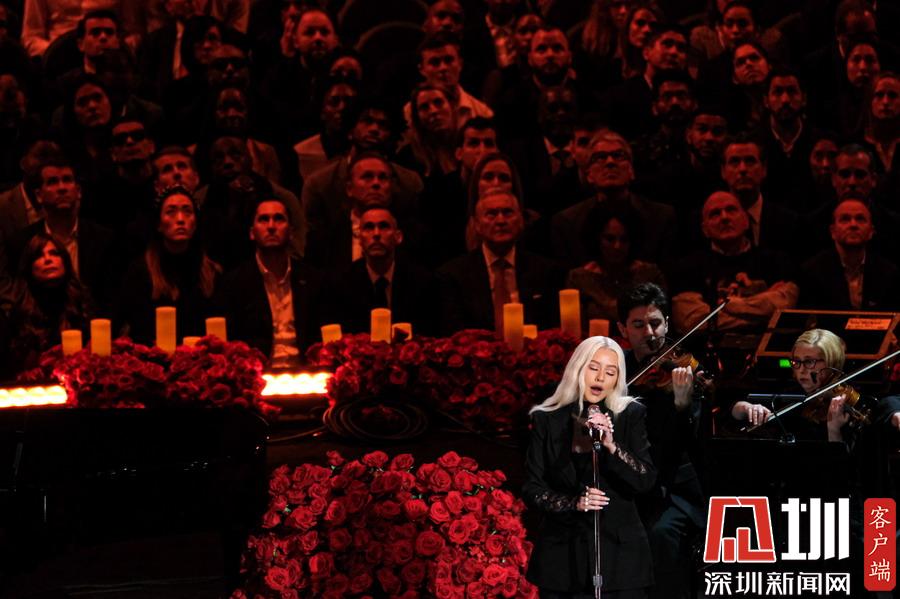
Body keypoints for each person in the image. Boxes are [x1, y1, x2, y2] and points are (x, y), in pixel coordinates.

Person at [524, 335, 656, 598]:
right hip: (562, 558)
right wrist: (574, 503)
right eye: (593, 368)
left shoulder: (630, 414)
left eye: (611, 372)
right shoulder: (546, 419)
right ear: (578, 368)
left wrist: (612, 446)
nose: (601, 378)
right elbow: (532, 488)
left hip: (620, 556)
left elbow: (646, 480)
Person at [616, 282, 704, 599]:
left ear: (667, 323)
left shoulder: (683, 371)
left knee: (659, 533)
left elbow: (693, 443)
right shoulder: (616, 369)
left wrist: (682, 405)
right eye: (639, 325)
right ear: (623, 328)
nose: (650, 333)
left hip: (673, 488)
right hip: (626, 482)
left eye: (655, 323)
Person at [216, 197, 325, 368]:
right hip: (256, 375)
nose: (272, 226)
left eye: (279, 219)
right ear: (252, 233)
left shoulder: (313, 280)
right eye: (263, 219)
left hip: (307, 374)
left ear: (291, 232)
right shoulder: (233, 284)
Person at [438, 189, 563, 335]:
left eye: (508, 213)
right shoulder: (453, 276)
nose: (501, 221)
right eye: (491, 214)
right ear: (476, 224)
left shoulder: (546, 272)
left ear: (521, 220)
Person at [116, 186, 221, 344]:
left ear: (195, 223)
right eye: (171, 212)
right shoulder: (141, 272)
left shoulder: (211, 272)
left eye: (187, 211)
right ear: (159, 224)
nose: (180, 219)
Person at [566, 204, 666, 325]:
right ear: (597, 239)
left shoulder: (649, 275)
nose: (617, 246)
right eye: (610, 239)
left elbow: (661, 322)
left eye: (624, 240)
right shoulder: (579, 278)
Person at [8, 232, 92, 372]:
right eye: (39, 255)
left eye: (54, 253)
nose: (48, 259)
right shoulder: (19, 312)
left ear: (65, 261)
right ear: (29, 267)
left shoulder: (82, 303)